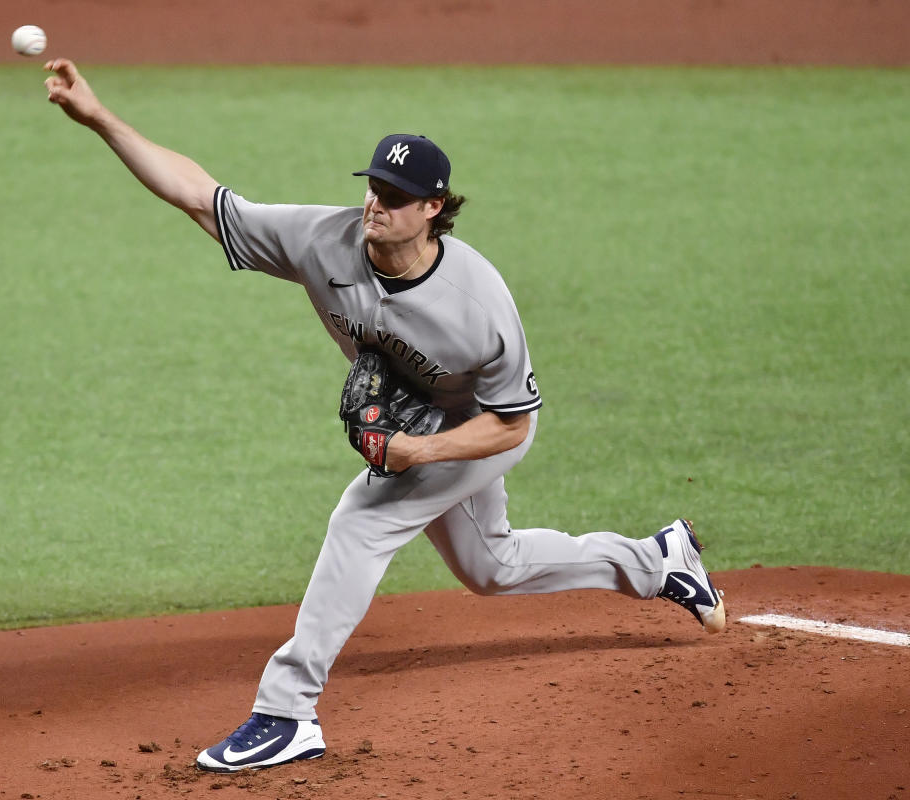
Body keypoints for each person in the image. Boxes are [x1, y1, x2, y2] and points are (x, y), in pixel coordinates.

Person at [42, 58, 726, 774]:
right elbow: (199, 197)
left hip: (479, 429)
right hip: (422, 426)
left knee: (362, 519)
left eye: (396, 196)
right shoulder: (323, 241)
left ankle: (286, 711)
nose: (377, 204)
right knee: (492, 567)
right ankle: (657, 561)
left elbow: (514, 424)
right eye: (374, 188)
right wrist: (101, 119)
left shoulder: (478, 303)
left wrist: (415, 453)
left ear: (434, 207)